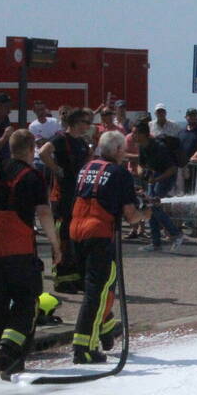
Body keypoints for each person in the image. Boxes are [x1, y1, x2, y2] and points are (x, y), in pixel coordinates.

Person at [0, 129, 62, 377]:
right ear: (31, 148)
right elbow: (44, 213)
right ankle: (11, 345)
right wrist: (55, 245)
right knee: (27, 300)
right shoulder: (32, 177)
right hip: (18, 251)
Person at [69, 131, 148, 364]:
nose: (125, 154)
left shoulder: (86, 168)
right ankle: (84, 347)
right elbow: (131, 216)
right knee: (99, 292)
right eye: (123, 150)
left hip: (76, 232)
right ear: (115, 151)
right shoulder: (120, 173)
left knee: (93, 289)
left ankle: (105, 329)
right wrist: (146, 213)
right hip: (99, 234)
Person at [39, 107, 92, 292]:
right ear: (76, 122)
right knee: (62, 237)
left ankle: (76, 276)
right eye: (86, 122)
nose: (88, 126)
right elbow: (43, 152)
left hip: (78, 196)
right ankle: (61, 278)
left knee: (76, 237)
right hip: (62, 196)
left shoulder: (83, 143)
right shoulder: (61, 139)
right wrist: (57, 169)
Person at [132, 121, 186, 252]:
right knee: (151, 208)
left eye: (135, 133)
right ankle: (156, 243)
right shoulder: (142, 146)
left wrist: (156, 179)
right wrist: (142, 173)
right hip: (155, 176)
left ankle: (176, 234)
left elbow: (173, 169)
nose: (133, 135)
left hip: (166, 177)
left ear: (144, 134)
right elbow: (141, 164)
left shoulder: (159, 147)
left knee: (153, 206)